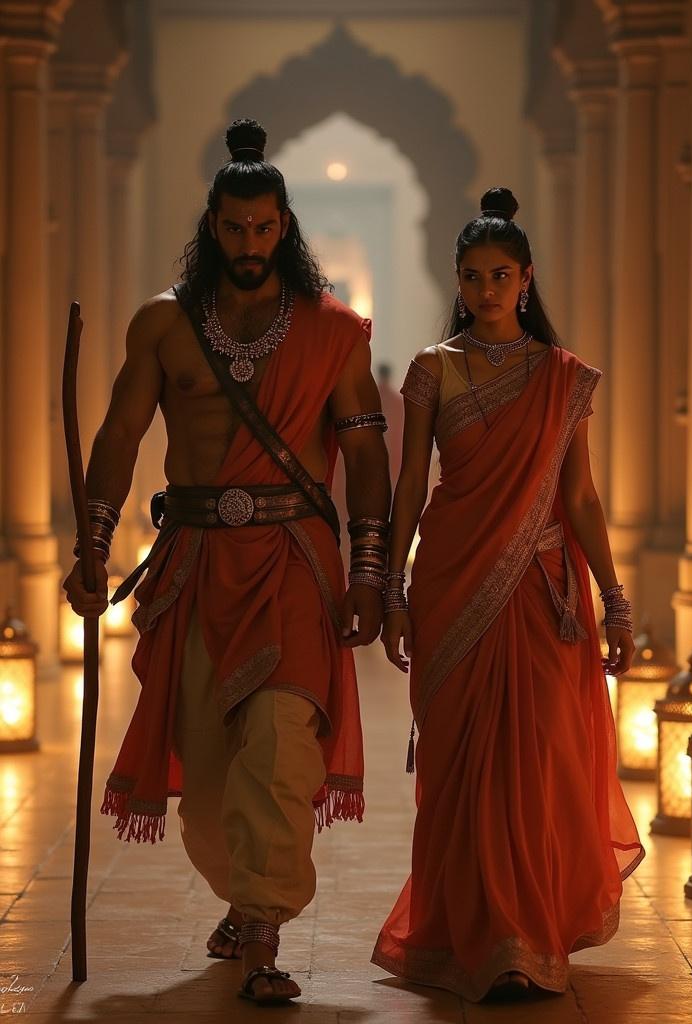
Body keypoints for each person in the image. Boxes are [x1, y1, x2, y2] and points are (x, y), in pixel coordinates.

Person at [63, 119, 391, 1006]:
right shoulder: (164, 325)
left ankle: (263, 930)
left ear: (285, 227)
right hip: (198, 563)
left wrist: (370, 571)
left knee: (282, 746)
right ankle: (240, 896)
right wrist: (91, 549)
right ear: (213, 225)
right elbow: (121, 435)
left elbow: (364, 455)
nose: (250, 244)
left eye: (265, 228)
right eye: (235, 228)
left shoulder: (332, 332)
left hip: (294, 561)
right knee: (207, 785)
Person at [372, 187, 644, 1001]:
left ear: (526, 279)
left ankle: (524, 941)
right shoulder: (433, 370)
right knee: (464, 770)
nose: (486, 289)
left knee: (544, 766)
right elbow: (410, 484)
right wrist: (390, 588)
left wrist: (616, 599)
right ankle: (477, 935)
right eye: (471, 275)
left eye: (500, 274)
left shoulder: (564, 379)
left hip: (543, 596)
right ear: (456, 281)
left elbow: (582, 499)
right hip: (453, 587)